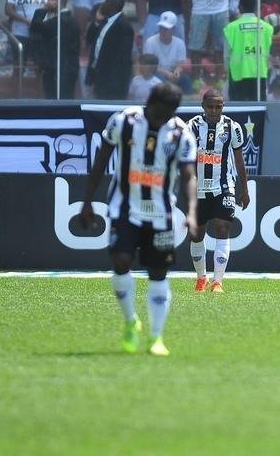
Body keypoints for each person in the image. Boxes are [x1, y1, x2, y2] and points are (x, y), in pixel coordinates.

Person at [77, 83, 199, 356]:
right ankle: (131, 321)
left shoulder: (181, 133)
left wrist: (191, 212)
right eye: (160, 113)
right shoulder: (123, 121)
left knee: (158, 272)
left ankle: (156, 338)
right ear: (149, 103)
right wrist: (87, 201)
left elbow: (189, 175)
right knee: (120, 261)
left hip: (161, 213)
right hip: (125, 208)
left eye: (170, 114)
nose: (164, 119)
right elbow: (101, 161)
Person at [186, 89, 251, 294]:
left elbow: (239, 161)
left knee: (223, 228)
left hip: (224, 186)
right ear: (203, 106)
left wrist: (245, 190)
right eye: (210, 106)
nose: (214, 110)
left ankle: (218, 282)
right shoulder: (192, 126)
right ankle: (201, 278)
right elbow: (185, 157)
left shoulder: (233, 127)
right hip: (198, 188)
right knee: (197, 234)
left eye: (219, 106)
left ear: (223, 106)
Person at [223, 0, 274, 102]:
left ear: (240, 7)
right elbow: (269, 52)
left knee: (237, 112)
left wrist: (228, 71)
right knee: (258, 111)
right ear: (256, 7)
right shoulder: (267, 28)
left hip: (238, 74)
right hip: (260, 74)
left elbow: (226, 55)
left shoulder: (231, 28)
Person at [85, 0, 136, 101]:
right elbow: (89, 39)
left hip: (112, 82)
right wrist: (97, 22)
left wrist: (115, 82)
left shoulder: (124, 26)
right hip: (99, 76)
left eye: (106, 2)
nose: (103, 4)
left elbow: (122, 58)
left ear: (112, 6)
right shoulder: (104, 21)